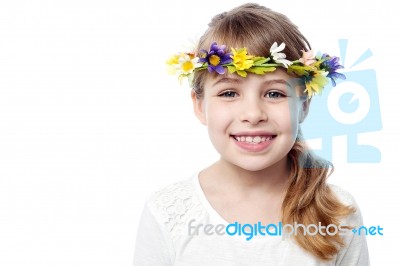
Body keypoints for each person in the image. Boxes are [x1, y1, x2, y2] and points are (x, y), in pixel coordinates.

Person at [133, 3, 369, 265]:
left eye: (274, 93)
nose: (253, 114)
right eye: (229, 93)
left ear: (303, 105)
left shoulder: (338, 212)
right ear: (200, 106)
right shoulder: (167, 213)